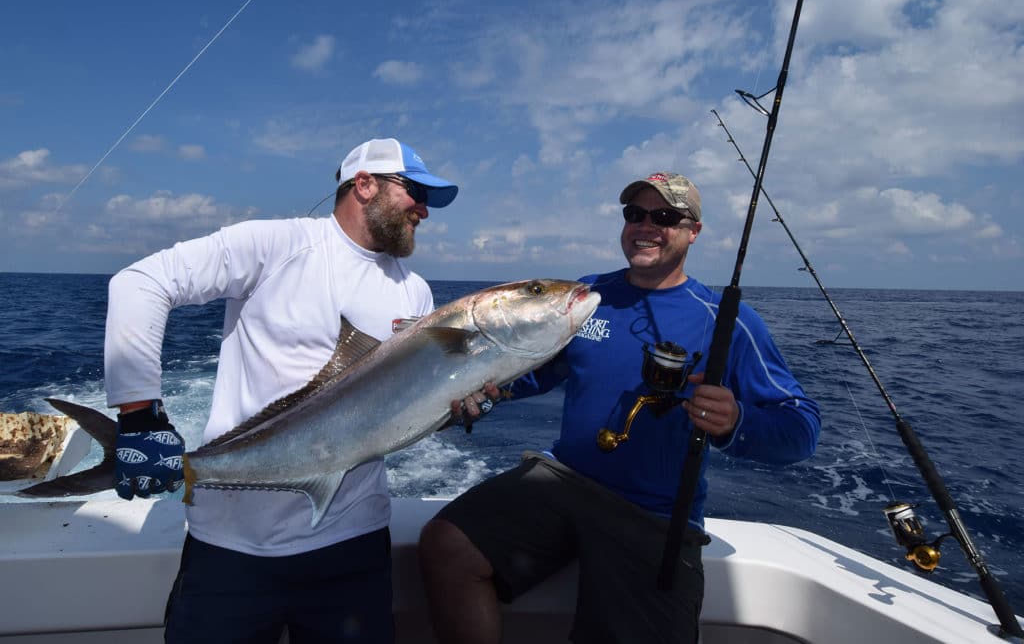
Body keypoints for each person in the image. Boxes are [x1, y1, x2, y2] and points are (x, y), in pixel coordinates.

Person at [419, 172, 821, 644]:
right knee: (448, 545)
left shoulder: (726, 319)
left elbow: (801, 426)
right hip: (563, 478)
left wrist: (736, 422)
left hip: (655, 512)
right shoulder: (587, 296)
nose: (646, 226)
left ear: (693, 231)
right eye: (635, 214)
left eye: (665, 217)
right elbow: (533, 371)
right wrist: (483, 396)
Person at [103, 137, 459, 643]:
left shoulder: (415, 291)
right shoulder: (275, 244)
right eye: (414, 191)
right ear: (363, 185)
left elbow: (404, 408)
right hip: (231, 548)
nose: (423, 209)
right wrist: (139, 418)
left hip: (353, 547)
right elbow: (139, 284)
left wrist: (460, 406)